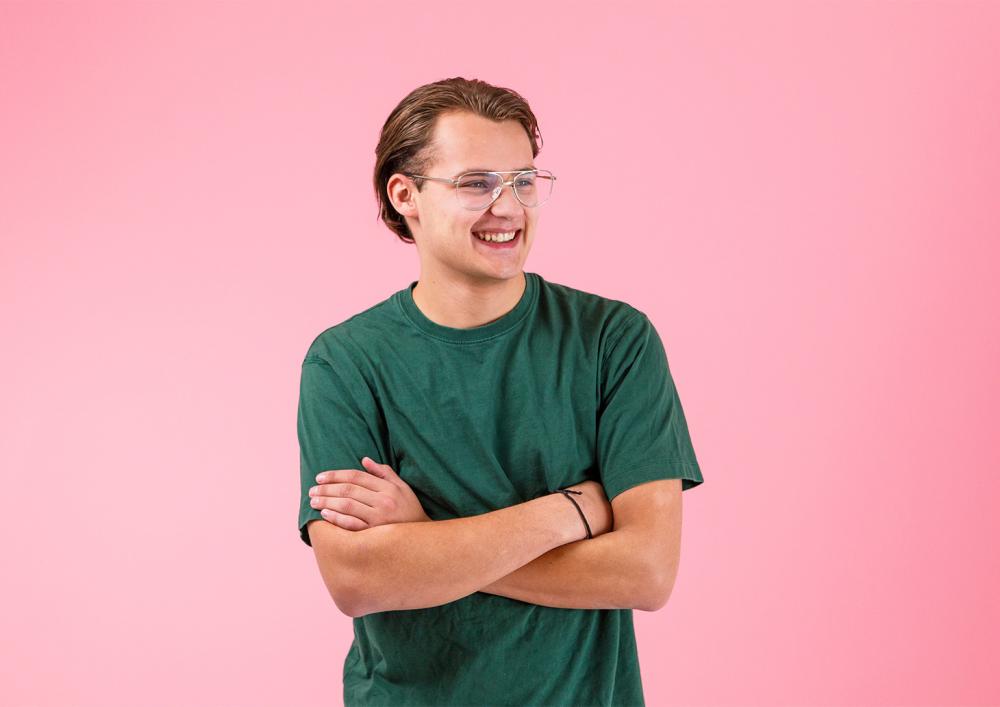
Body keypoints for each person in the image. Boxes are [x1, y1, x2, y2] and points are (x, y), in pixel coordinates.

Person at [296, 76, 704, 706]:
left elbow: (646, 572)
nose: (509, 208)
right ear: (405, 195)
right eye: (476, 183)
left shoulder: (613, 340)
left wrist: (423, 540)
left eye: (523, 181)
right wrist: (570, 512)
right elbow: (358, 579)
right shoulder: (345, 362)